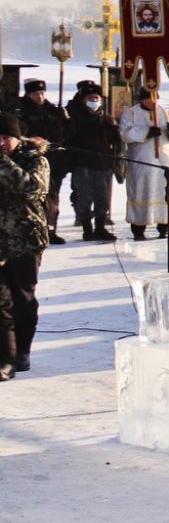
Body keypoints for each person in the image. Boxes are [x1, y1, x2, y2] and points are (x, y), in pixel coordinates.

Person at [0, 114, 49, 378]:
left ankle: (22, 352)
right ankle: (5, 360)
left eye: (7, 137)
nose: (2, 143)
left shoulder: (36, 160)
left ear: (18, 138)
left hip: (25, 240)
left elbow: (31, 189)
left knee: (23, 298)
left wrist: (3, 163)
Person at [118, 86, 169, 240]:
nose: (152, 101)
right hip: (142, 162)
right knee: (142, 191)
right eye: (149, 98)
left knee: (164, 191)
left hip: (163, 161)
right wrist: (145, 133)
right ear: (142, 99)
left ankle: (164, 226)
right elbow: (124, 134)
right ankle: (139, 228)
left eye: (155, 98)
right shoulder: (131, 113)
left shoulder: (164, 112)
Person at [63, 82, 118, 242]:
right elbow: (70, 138)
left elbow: (114, 140)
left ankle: (100, 227)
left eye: (96, 98)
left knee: (103, 196)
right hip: (83, 163)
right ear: (84, 99)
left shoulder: (107, 118)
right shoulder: (76, 117)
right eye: (90, 98)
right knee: (84, 196)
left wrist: (113, 130)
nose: (93, 100)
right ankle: (87, 229)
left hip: (103, 163)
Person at [15, 79, 67, 245]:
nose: (40, 97)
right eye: (36, 94)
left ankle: (51, 229)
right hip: (30, 160)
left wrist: (64, 119)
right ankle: (35, 230)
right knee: (35, 197)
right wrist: (33, 141)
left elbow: (64, 132)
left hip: (53, 161)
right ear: (29, 94)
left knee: (53, 196)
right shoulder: (20, 111)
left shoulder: (52, 110)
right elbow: (18, 134)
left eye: (42, 93)